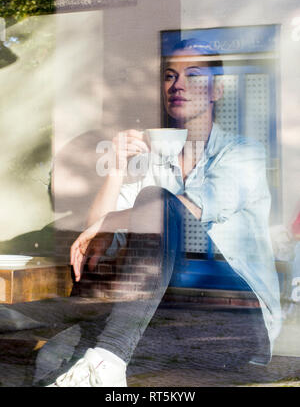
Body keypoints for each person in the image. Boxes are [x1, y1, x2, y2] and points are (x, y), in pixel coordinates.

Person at [48, 39, 282, 387]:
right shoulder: (158, 163)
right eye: (170, 75)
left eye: (194, 74)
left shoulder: (243, 153)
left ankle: (111, 354)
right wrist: (115, 167)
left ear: (217, 88)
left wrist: (111, 221)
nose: (179, 84)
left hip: (237, 322)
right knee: (52, 355)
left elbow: (182, 207)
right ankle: (107, 359)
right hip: (173, 321)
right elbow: (94, 235)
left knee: (156, 201)